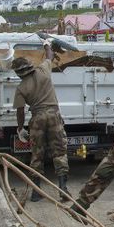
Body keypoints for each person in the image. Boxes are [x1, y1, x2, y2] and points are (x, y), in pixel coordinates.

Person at [12, 39, 70, 202]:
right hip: (54, 115)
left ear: (18, 73)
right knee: (59, 152)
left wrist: (20, 128)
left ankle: (36, 192)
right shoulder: (44, 70)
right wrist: (46, 44)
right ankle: (63, 189)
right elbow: (50, 55)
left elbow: (20, 111)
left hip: (37, 118)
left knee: (37, 154)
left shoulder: (21, 88)